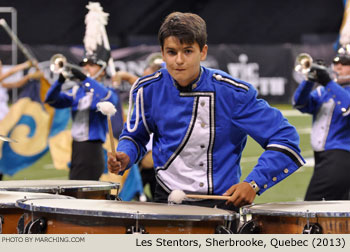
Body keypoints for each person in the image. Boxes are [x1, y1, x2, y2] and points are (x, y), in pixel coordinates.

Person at [107, 12, 305, 211]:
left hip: (221, 205)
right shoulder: (147, 89)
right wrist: (126, 154)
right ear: (163, 52)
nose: (179, 60)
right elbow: (135, 136)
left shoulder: (232, 93)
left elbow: (285, 137)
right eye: (172, 52)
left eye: (188, 51)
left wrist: (254, 183)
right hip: (165, 200)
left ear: (203, 52)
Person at [45, 47, 118, 180]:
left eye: (91, 65)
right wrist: (60, 81)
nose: (86, 68)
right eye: (84, 66)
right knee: (74, 191)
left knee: (80, 193)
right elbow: (50, 99)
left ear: (103, 70)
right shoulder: (77, 91)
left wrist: (84, 78)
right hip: (77, 147)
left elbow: (109, 100)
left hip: (92, 148)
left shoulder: (107, 91)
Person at [293, 45, 350, 201]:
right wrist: (309, 80)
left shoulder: (332, 88)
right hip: (322, 158)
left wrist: (328, 82)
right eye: (336, 62)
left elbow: (348, 107)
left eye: (345, 63)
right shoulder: (324, 91)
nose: (338, 66)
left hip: (341, 158)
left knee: (311, 208)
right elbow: (299, 103)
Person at [112, 52, 164, 201]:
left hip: (155, 157)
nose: (142, 82)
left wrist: (127, 76)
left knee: (158, 201)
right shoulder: (147, 93)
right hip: (140, 155)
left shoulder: (161, 92)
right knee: (136, 197)